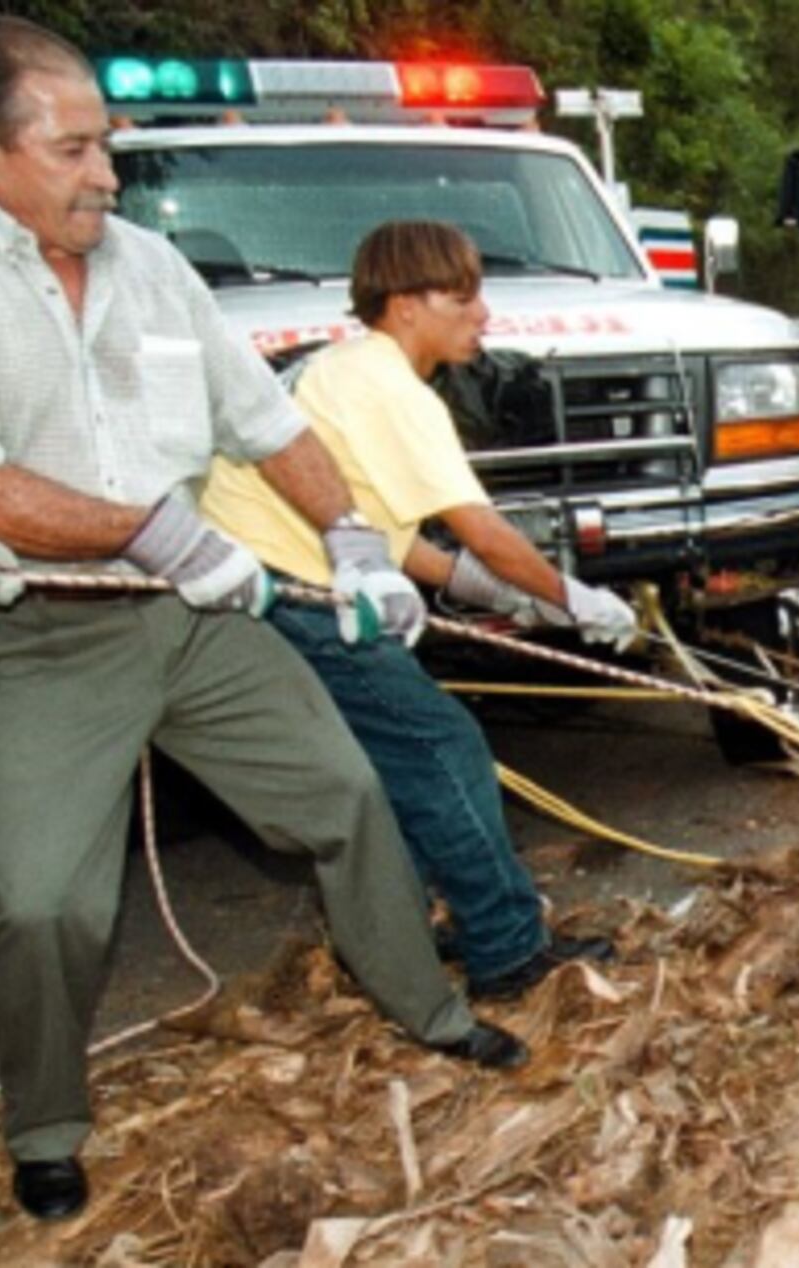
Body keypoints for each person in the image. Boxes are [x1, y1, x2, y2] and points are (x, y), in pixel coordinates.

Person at [0, 15, 520, 1222]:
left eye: (109, 144)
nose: (106, 172)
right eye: (75, 149)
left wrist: (350, 539)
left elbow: (270, 421)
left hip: (198, 623)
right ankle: (44, 1123)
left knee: (347, 798)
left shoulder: (149, 265)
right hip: (39, 635)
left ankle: (435, 1010)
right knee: (45, 903)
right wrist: (154, 531)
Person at [201, 221, 623, 1001]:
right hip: (292, 591)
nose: (482, 315)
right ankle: (505, 949)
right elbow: (483, 530)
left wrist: (495, 597)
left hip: (263, 580)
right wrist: (571, 599)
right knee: (441, 747)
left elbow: (391, 535)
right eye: (460, 297)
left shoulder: (347, 371)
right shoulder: (389, 388)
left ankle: (425, 919)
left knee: (392, 762)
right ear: (402, 306)